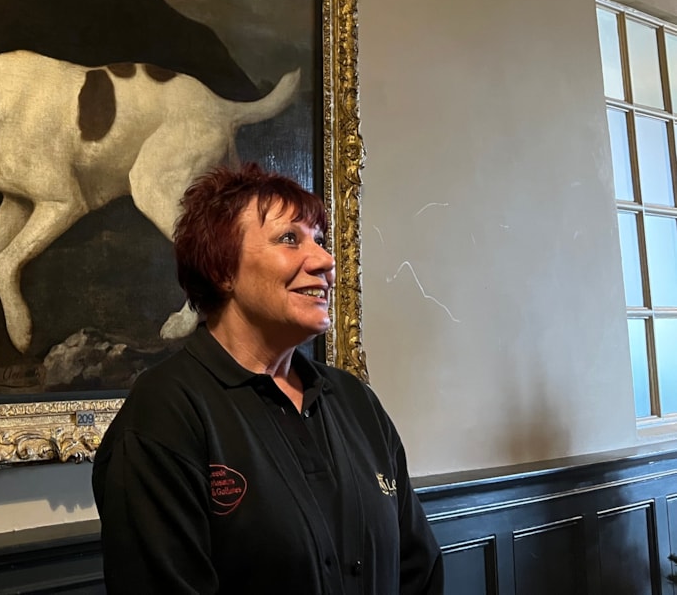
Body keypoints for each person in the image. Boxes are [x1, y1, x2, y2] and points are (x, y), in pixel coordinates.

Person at [92, 164, 443, 594]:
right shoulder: (164, 415)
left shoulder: (355, 401)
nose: (325, 261)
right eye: (289, 239)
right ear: (222, 269)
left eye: (319, 240)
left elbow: (419, 572)